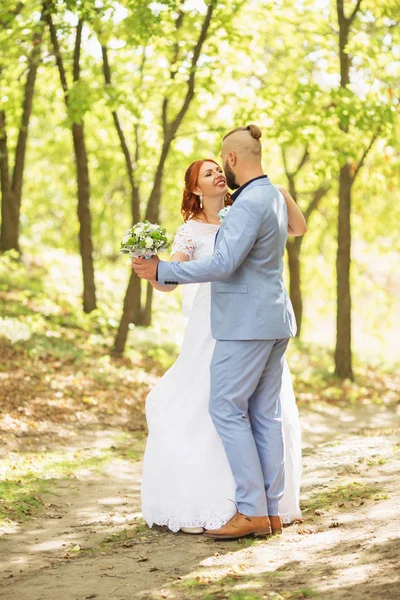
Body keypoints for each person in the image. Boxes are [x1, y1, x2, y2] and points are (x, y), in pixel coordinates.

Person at [133, 125, 305, 540]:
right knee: (265, 413)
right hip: (273, 320)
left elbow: (225, 263)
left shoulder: (248, 202)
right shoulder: (269, 197)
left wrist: (164, 270)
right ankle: (270, 511)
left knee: (226, 408)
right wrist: (160, 271)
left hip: (244, 324)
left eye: (218, 164)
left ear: (231, 160)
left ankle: (250, 510)